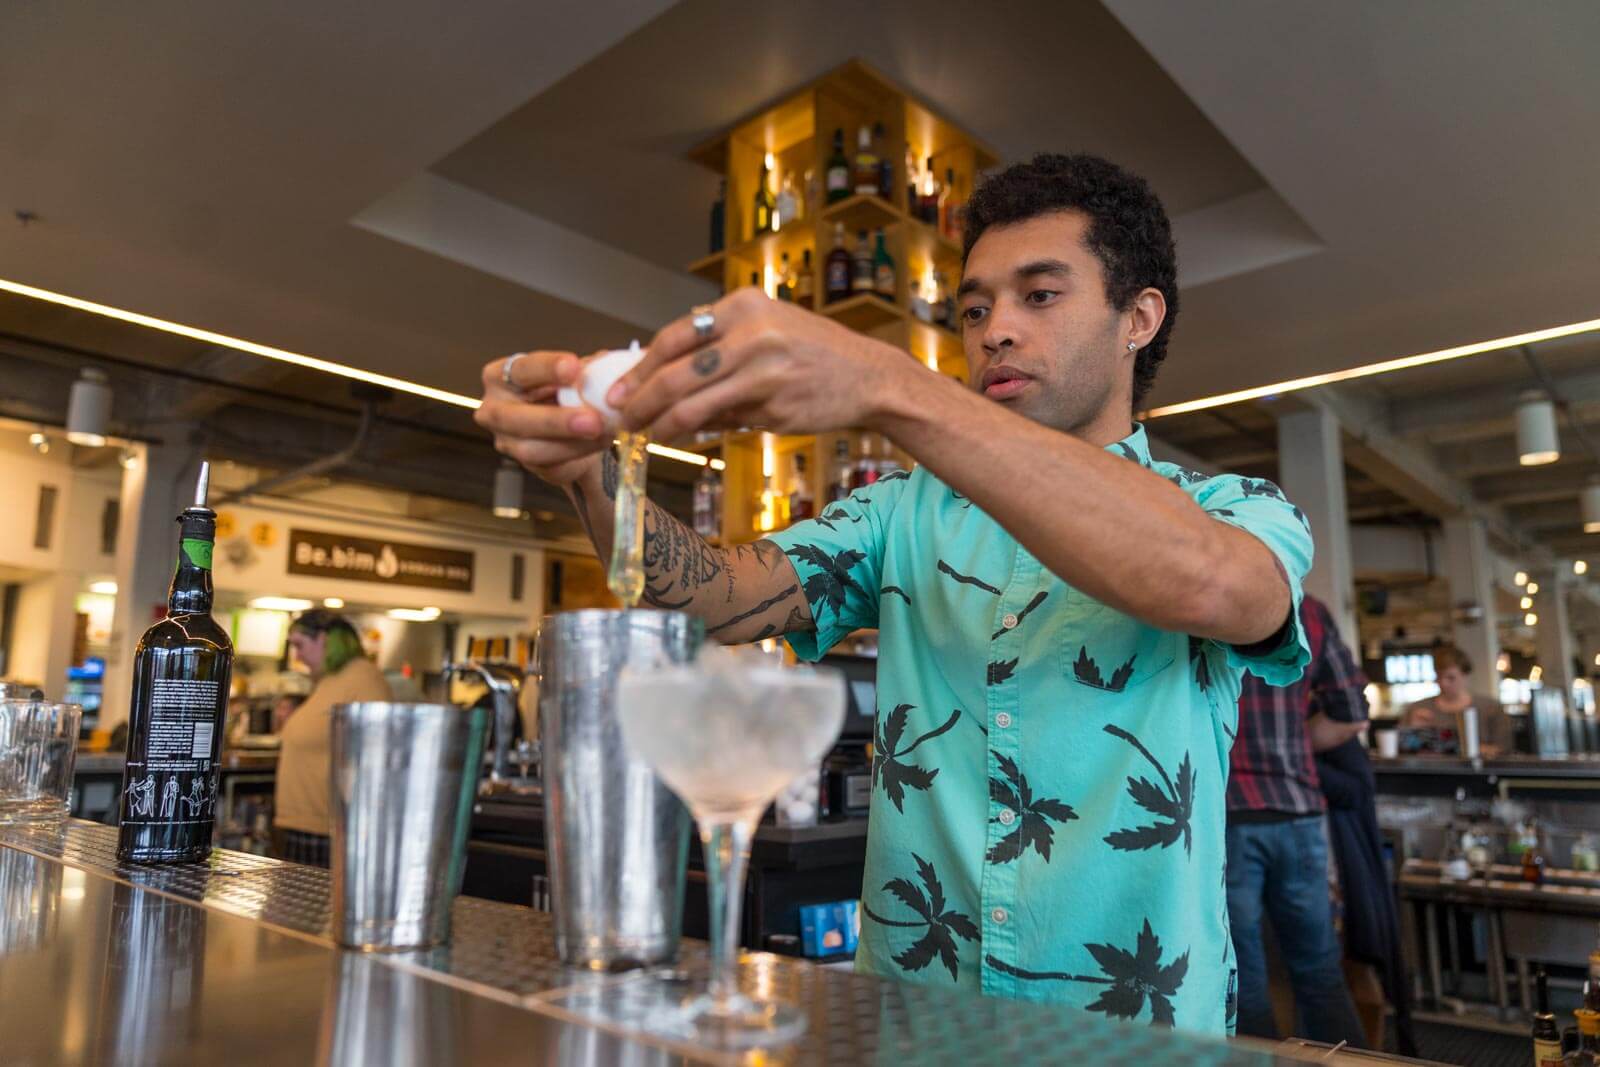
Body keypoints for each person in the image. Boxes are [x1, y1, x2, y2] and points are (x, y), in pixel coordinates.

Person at [477, 153, 1313, 1034]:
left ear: (1138, 318)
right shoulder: (898, 515)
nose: (994, 330)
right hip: (918, 1022)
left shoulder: (1233, 512)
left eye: (1039, 296)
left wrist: (889, 384)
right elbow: (716, 597)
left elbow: (1209, 583)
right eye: (976, 307)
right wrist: (589, 474)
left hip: (1137, 1039)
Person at [1226, 594, 1368, 1045]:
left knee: (1241, 977)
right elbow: (1352, 713)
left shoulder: (1202, 596)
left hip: (1229, 815)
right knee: (1319, 970)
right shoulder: (1307, 609)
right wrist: (1292, 743)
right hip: (1300, 812)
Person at [1316, 735, 1419, 1057]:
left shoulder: (1333, 741)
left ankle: (1363, 1055)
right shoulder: (1329, 738)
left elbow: (1356, 790)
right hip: (1327, 872)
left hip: (1337, 877)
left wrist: (1299, 755)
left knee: (1351, 974)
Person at [271, 609, 391, 866]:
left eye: (300, 645)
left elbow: (377, 753)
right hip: (308, 825)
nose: (297, 656)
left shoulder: (363, 678)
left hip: (327, 829)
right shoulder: (331, 680)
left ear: (324, 639)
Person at [1399, 644, 1510, 756]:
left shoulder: (1491, 708)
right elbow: (1401, 750)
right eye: (1438, 677)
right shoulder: (1418, 708)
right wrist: (1413, 731)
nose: (1443, 683)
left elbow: (1504, 750)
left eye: (1451, 678)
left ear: (1465, 675)